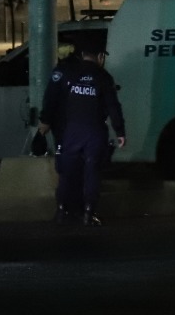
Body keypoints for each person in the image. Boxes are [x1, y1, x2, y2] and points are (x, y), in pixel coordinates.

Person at [37, 38, 126, 226]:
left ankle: (61, 210)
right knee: (92, 172)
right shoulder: (103, 76)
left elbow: (52, 99)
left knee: (67, 174)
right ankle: (88, 214)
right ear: (100, 57)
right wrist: (120, 131)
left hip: (71, 131)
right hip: (95, 132)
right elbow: (113, 106)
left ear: (82, 55)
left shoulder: (67, 72)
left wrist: (45, 121)